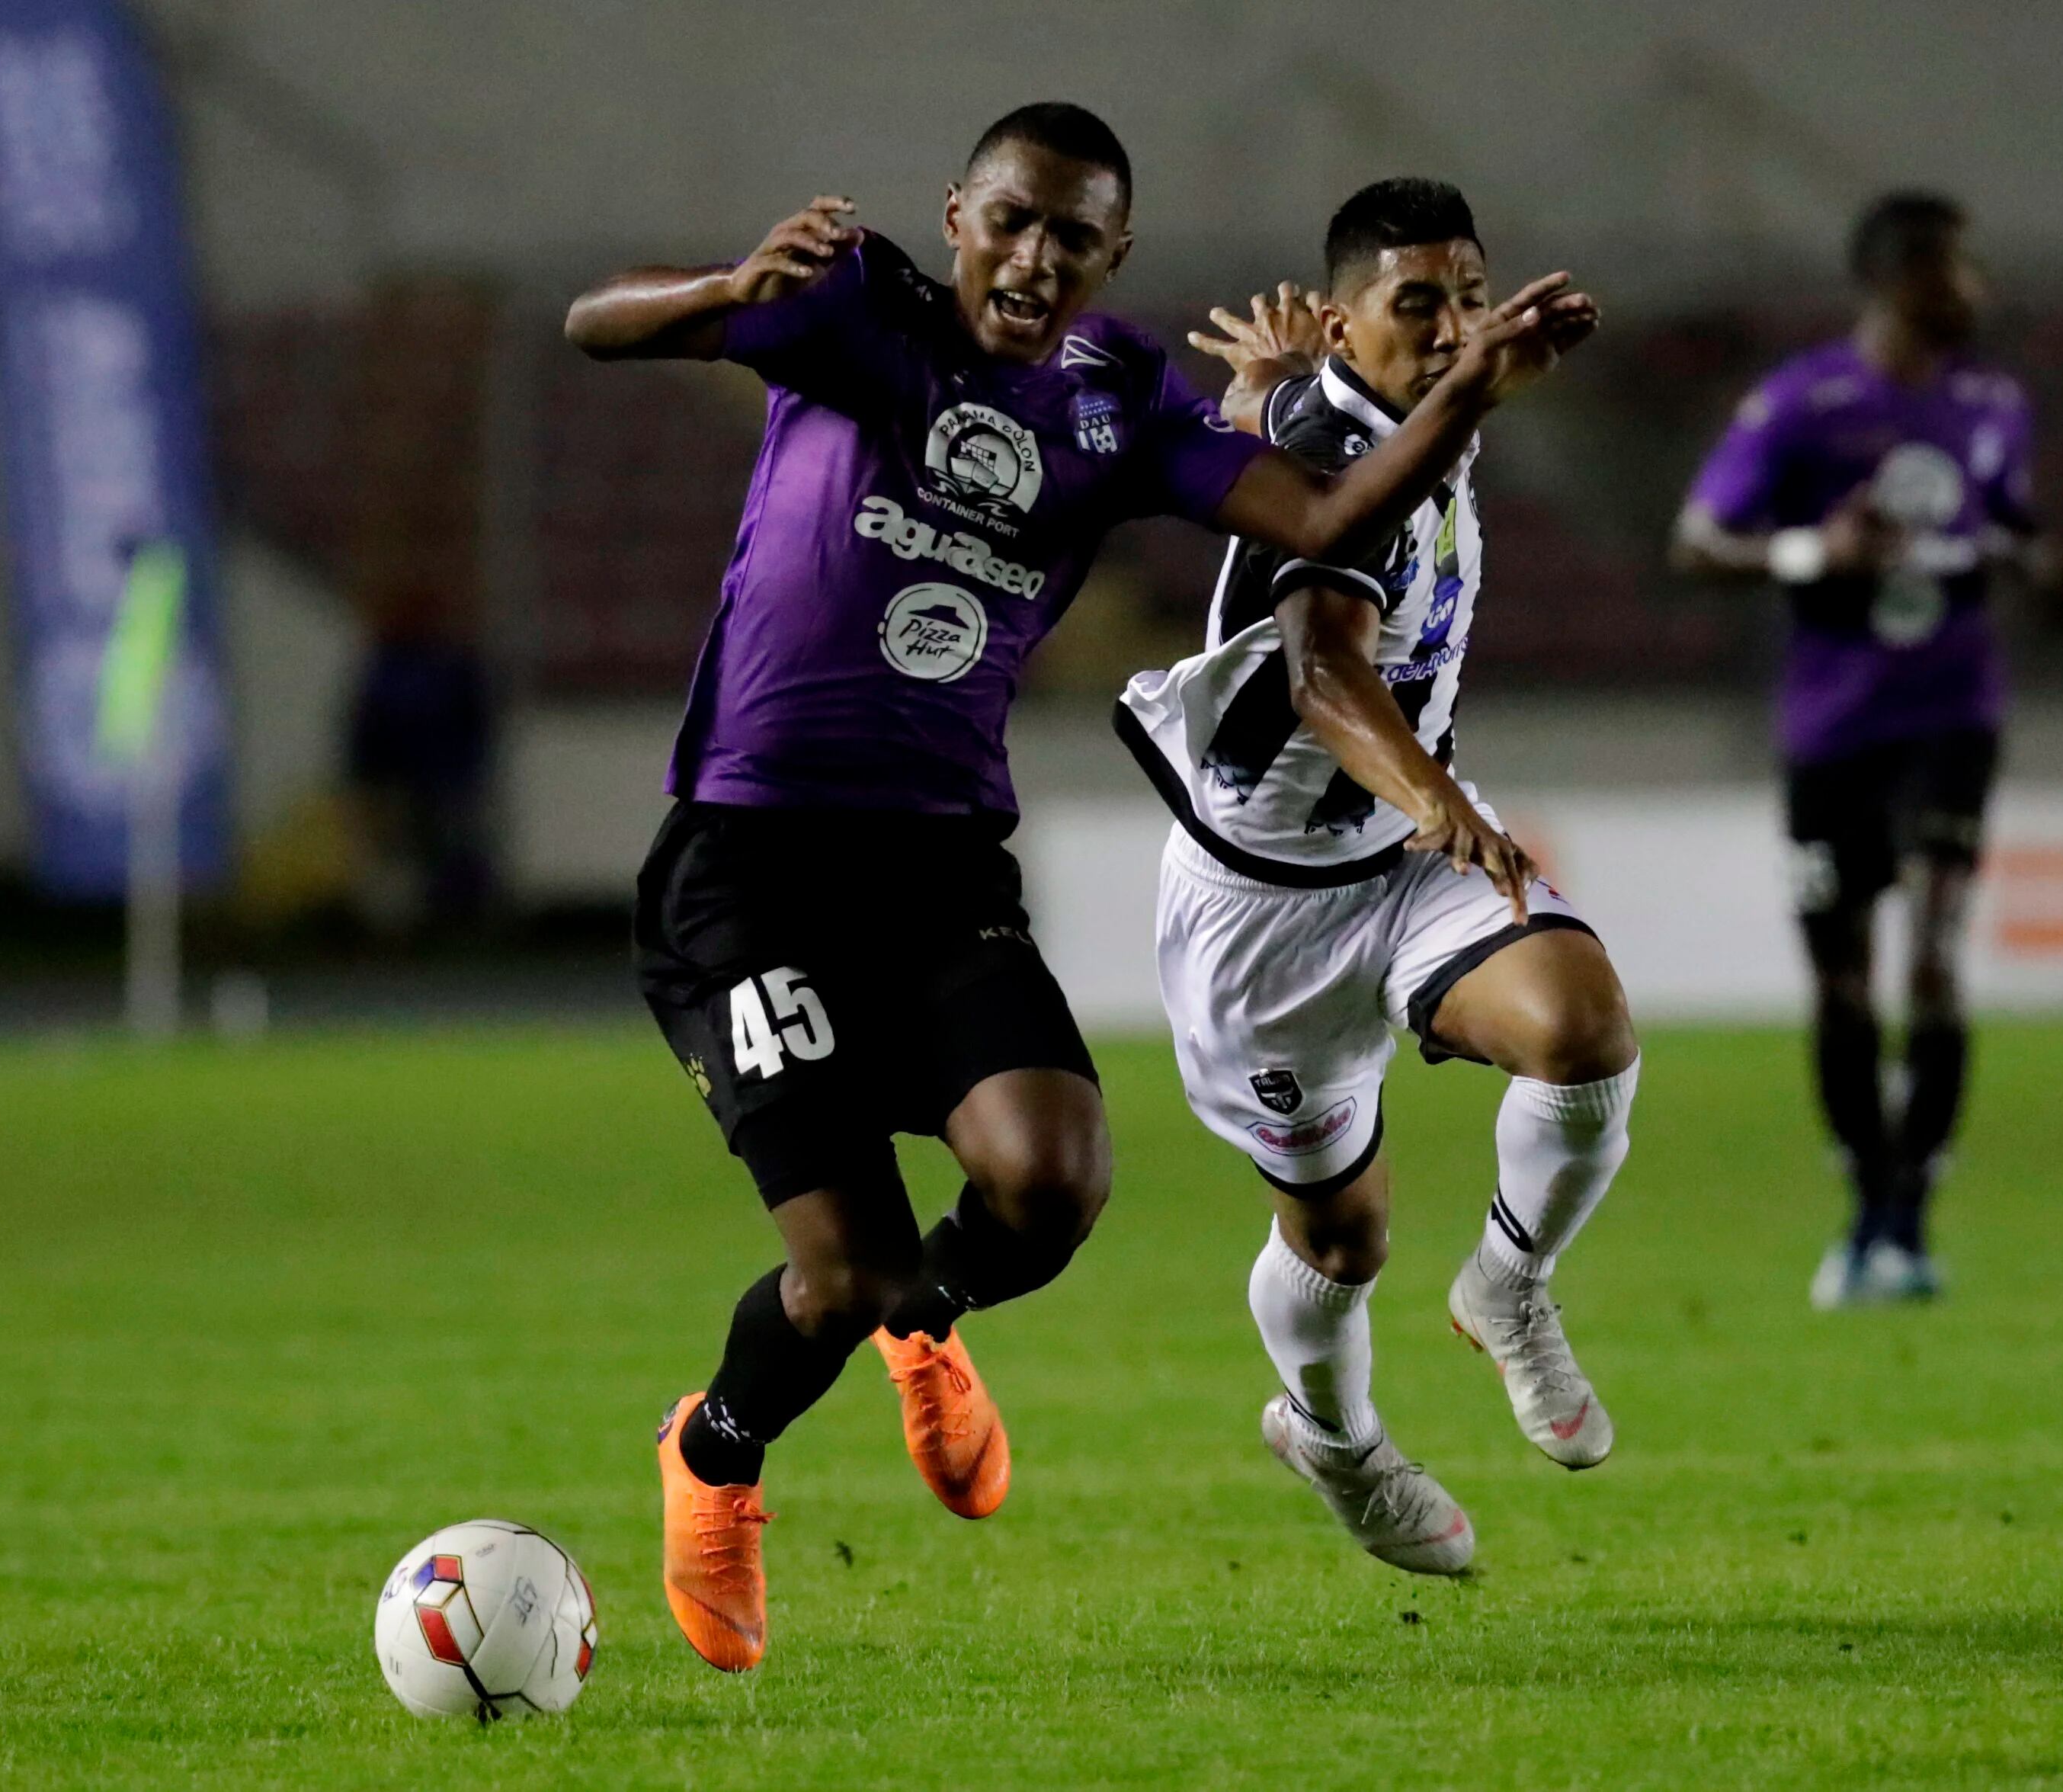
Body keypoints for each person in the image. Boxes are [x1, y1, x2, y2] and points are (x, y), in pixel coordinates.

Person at [563, 104, 1595, 1670]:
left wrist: (1456, 388)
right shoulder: (857, 311)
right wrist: (717, 295)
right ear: (957, 213)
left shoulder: (1115, 406)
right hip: (748, 868)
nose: (1034, 255)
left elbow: (1319, 517)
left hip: (933, 864)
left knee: (1052, 1181)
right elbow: (594, 323)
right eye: (1010, 219)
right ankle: (711, 1453)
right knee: (833, 1266)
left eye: (1072, 234)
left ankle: (929, 1318)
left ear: (1113, 256)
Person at [1118, 178, 1632, 1577]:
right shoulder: (1347, 456)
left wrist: (1289, 383)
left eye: (1469, 295)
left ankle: (1509, 1287)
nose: (1458, 326)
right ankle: (1335, 1439)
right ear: (1353, 319)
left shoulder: (1380, 419)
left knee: (1582, 1031)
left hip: (1396, 866)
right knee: (1340, 1241)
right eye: (1421, 304)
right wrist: (1440, 797)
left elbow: (1298, 417)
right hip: (1262, 916)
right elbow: (1322, 673)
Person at [1668, 191, 2063, 1310]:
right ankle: (1866, 1205)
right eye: (1958, 271)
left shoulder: (1993, 404)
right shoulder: (1804, 403)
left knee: (1937, 956)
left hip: (1953, 714)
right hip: (1832, 728)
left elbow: (2009, 521)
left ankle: (1907, 1220)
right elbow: (1700, 541)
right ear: (1900, 278)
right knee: (1845, 983)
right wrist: (1818, 551)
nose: (1976, 292)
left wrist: (2048, 565)